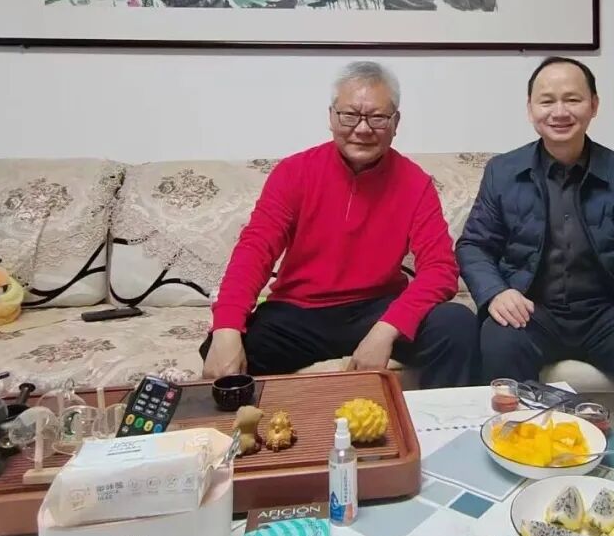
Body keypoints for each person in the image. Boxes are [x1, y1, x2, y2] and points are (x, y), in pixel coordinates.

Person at [455, 56, 614, 481]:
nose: (559, 111)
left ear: (594, 105)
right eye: (547, 101)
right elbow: (474, 245)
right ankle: (519, 466)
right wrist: (496, 292)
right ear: (530, 109)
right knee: (498, 337)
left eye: (573, 99)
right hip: (535, 311)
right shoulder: (502, 172)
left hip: (608, 311)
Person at [201, 61, 478, 389]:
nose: (362, 129)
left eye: (377, 117)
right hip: (298, 312)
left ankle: (433, 420)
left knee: (456, 324)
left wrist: (386, 330)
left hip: (377, 309)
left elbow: (441, 269)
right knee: (224, 351)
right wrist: (227, 327)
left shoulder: (415, 182)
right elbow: (255, 250)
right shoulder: (294, 172)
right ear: (331, 117)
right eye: (350, 115)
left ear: (396, 122)